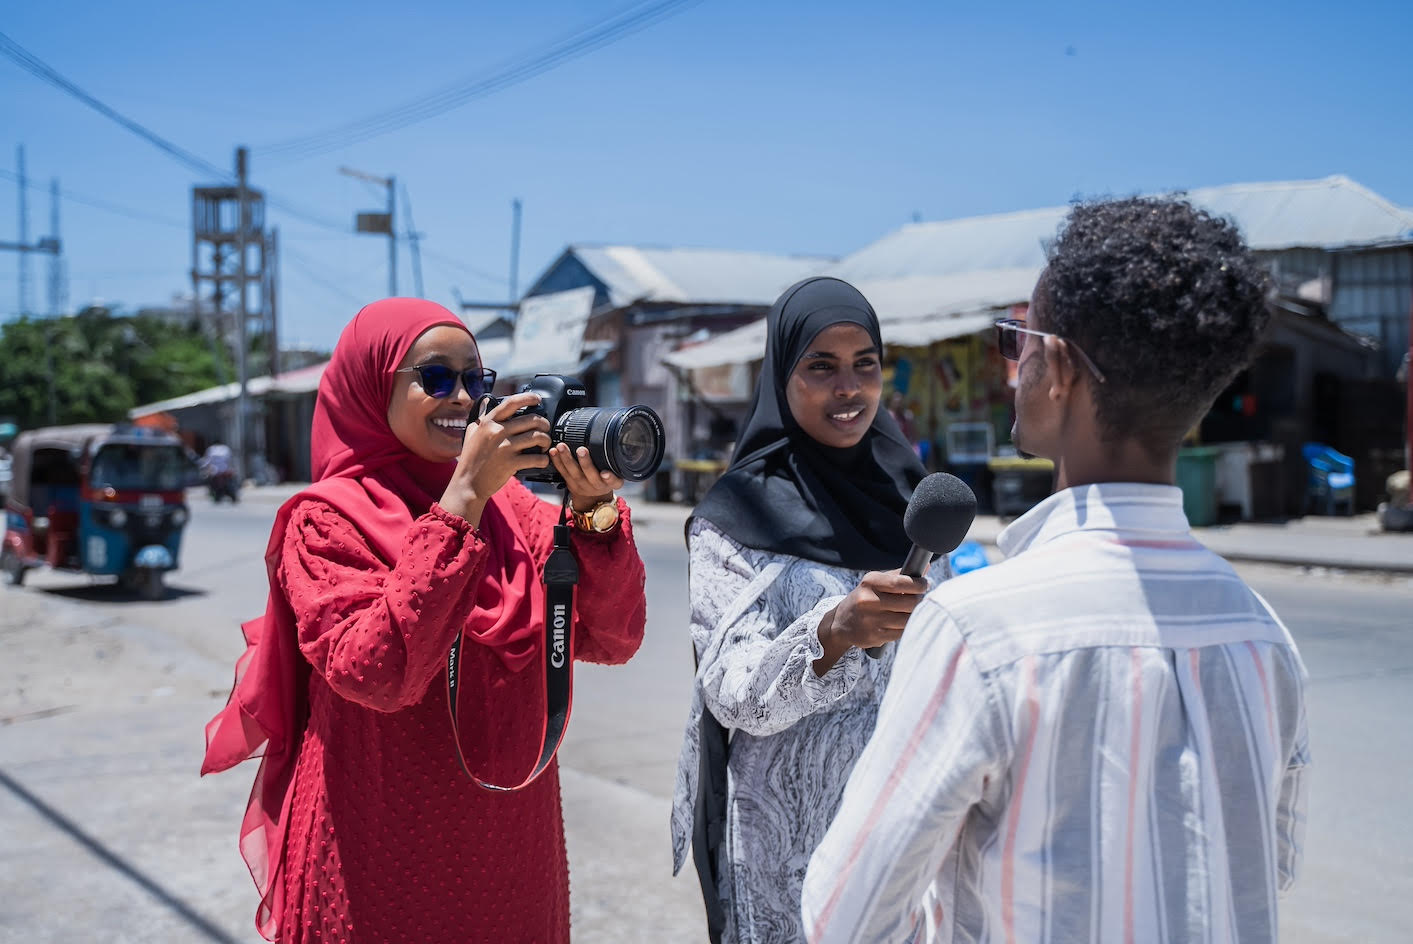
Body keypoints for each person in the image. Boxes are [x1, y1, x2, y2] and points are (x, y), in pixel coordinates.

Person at [802, 197, 1310, 943]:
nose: (1014, 364)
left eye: (1019, 339)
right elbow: (1268, 866)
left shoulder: (978, 631)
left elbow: (846, 916)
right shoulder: (1265, 636)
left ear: (1060, 368)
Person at [201, 298, 647, 943]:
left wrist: (594, 511)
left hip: (509, 851)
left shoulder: (515, 510)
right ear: (372, 388)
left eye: (476, 380)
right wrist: (461, 502)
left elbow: (612, 637)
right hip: (375, 857)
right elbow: (376, 673)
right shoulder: (326, 520)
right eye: (435, 378)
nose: (462, 398)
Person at [670, 277, 945, 943]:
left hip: (908, 837)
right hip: (788, 848)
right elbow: (729, 695)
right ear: (780, 375)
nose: (847, 388)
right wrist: (830, 635)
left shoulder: (915, 498)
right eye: (820, 366)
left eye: (864, 365)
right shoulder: (735, 515)